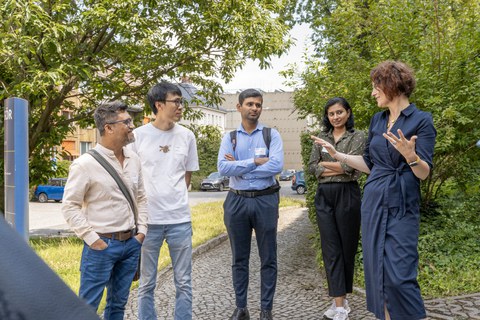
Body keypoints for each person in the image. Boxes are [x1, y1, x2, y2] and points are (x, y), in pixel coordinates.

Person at [312, 61, 436, 320]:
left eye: (376, 86)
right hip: (374, 200)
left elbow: (423, 172)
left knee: (400, 276)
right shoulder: (378, 121)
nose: (373, 92)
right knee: (378, 274)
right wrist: (339, 154)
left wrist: (411, 156)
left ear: (393, 84)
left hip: (402, 202)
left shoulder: (421, 120)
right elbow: (369, 163)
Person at [62, 101, 148, 320]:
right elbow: (70, 206)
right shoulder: (85, 164)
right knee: (88, 307)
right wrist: (93, 240)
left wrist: (141, 232)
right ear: (108, 127)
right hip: (101, 246)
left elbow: (141, 197)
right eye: (127, 121)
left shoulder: (134, 159)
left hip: (130, 244)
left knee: (118, 306)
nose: (131, 126)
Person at [130, 82, 199, 320]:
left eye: (181, 102)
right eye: (176, 101)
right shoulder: (137, 136)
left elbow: (186, 177)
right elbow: (131, 177)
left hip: (180, 219)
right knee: (147, 282)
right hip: (149, 222)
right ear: (159, 105)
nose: (181, 106)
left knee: (184, 282)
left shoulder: (187, 136)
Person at [218, 89, 284, 320]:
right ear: (239, 107)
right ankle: (241, 307)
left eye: (258, 104)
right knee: (239, 257)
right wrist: (255, 161)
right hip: (236, 201)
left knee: (268, 257)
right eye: (249, 104)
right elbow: (223, 169)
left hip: (265, 199)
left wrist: (240, 165)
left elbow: (276, 166)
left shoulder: (270, 135)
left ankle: (266, 310)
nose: (254, 108)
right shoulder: (229, 137)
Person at [308, 97, 366, 320]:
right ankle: (339, 305)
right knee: (330, 248)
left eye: (339, 112)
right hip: (324, 196)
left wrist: (331, 165)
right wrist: (341, 166)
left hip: (347, 194)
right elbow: (313, 167)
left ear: (348, 113)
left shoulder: (358, 136)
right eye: (331, 114)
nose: (336, 117)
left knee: (346, 248)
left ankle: (343, 299)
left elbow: (353, 169)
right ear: (327, 116)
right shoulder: (321, 138)